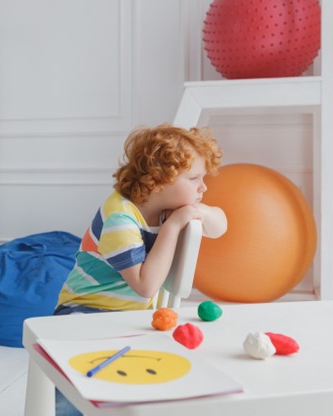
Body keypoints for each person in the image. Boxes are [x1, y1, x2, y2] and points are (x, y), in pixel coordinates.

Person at [53, 123, 227, 415]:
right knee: (78, 394)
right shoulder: (120, 218)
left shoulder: (163, 204)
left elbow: (221, 224)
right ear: (159, 180)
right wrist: (173, 225)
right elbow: (145, 286)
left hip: (129, 315)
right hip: (84, 314)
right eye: (194, 178)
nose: (203, 187)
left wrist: (198, 212)